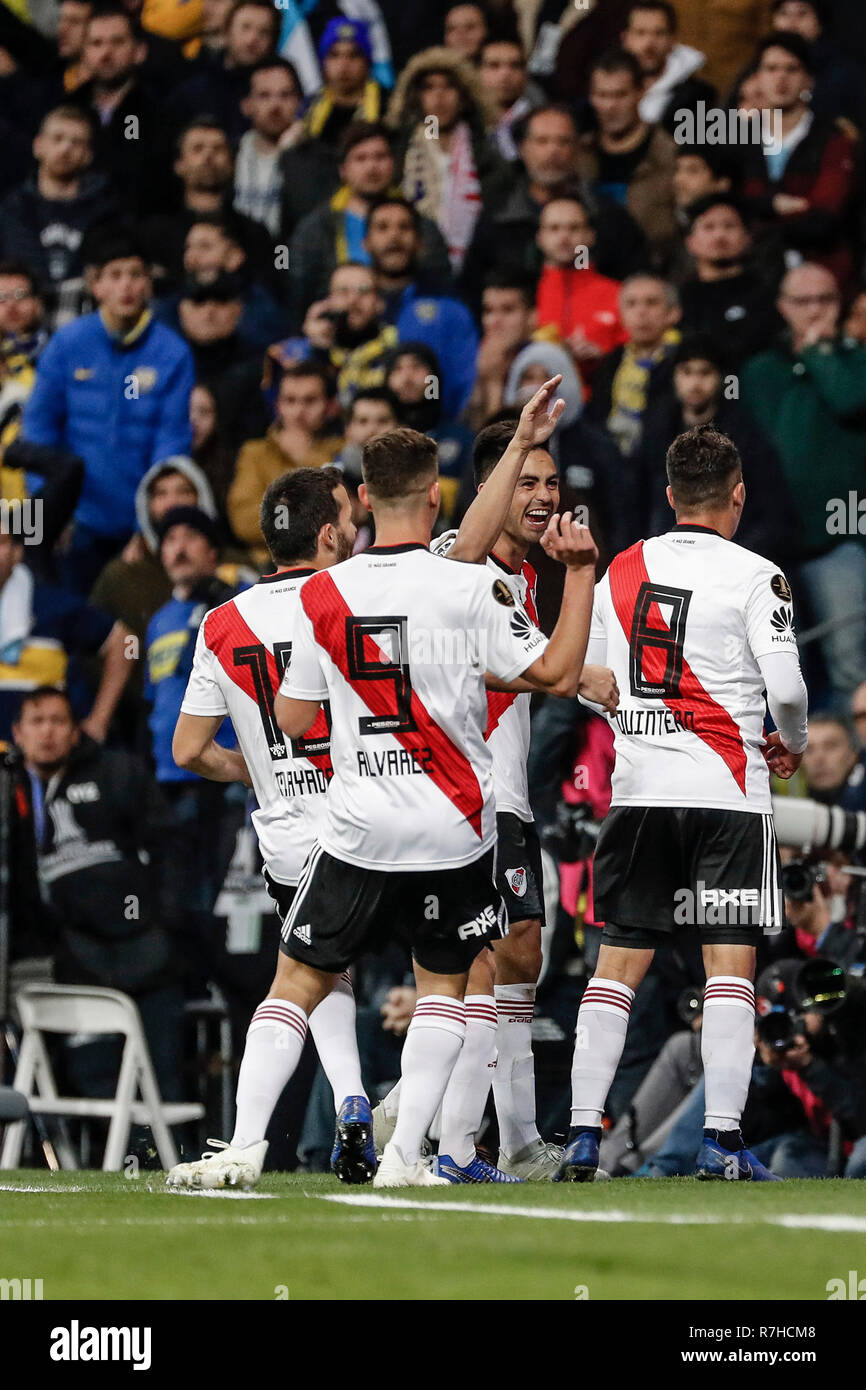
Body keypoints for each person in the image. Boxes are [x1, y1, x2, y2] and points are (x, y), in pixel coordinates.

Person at [166, 376, 599, 1190]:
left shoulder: (325, 593)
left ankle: (244, 1148)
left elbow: (293, 720)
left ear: (364, 499)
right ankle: (411, 1158)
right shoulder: (471, 585)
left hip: (359, 821)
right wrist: (577, 576)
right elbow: (558, 670)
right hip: (455, 823)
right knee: (444, 987)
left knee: (297, 980)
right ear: (434, 497)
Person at [555, 423, 809, 1183]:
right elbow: (790, 691)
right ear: (738, 495)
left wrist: (638, 722)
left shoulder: (622, 569)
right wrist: (788, 739)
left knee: (615, 968)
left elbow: (586, 677)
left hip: (638, 796)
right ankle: (720, 1142)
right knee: (728, 967)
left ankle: (579, 1136)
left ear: (668, 496)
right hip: (727, 795)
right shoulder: (759, 575)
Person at [170, 466, 377, 1182]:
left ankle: (330, 1110)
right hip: (373, 822)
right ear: (326, 534)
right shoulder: (353, 597)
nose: (354, 533)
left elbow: (188, 749)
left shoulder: (221, 622)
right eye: (348, 523)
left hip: (287, 835)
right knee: (453, 975)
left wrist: (255, 770)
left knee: (318, 971)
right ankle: (412, 1129)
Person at [13, 685, 186, 1106]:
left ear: (76, 731)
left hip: (145, 953)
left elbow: (170, 848)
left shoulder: (119, 772)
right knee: (94, 1075)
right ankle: (105, 1169)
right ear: (18, 733)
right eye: (37, 722)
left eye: (58, 721)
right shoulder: (9, 790)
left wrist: (164, 922)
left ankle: (169, 1164)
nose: (48, 732)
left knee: (163, 1079)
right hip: (69, 960)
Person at [20, 230, 195, 594]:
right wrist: (50, 510)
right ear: (95, 284)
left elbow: (170, 446)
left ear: (149, 283)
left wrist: (148, 528)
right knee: (71, 632)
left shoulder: (173, 352)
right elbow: (37, 430)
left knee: (133, 636)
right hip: (73, 523)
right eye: (114, 276)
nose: (126, 286)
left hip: (137, 529)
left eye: (135, 274)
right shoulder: (67, 343)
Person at [741, 263, 866, 705]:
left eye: (825, 300)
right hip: (772, 542)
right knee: (780, 671)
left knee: (849, 664)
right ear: (781, 307)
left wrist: (819, 353)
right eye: (802, 301)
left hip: (841, 537)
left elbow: (851, 401)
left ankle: (853, 772)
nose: (814, 310)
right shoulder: (760, 370)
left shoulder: (856, 362)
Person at [287, 120, 451, 320]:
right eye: (361, 158)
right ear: (343, 169)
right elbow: (299, 295)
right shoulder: (315, 229)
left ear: (394, 163)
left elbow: (441, 288)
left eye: (380, 157)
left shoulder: (422, 226)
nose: (372, 167)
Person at [736, 33, 860, 291]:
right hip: (748, 274)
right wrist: (773, 204)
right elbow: (730, 204)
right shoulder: (736, 140)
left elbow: (825, 217)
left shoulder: (835, 141)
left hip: (823, 275)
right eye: (771, 69)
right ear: (757, 79)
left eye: (791, 69)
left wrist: (759, 217)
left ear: (809, 80)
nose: (781, 78)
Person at [0, 527, 132, 744]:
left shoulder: (52, 605)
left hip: (44, 757)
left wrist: (99, 720)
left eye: (1, 542)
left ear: (17, 552)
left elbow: (128, 641)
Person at [386, 46, 505, 274]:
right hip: (412, 267)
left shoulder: (487, 153)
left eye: (448, 87)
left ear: (464, 97)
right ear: (415, 96)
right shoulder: (397, 151)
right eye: (429, 88)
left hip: (477, 266)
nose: (439, 97)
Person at [0, 105, 116, 328]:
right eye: (58, 138)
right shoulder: (13, 209)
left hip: (85, 319)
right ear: (38, 146)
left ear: (88, 155)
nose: (65, 148)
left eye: (76, 142)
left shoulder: (106, 211)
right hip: (20, 318)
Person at [364, 195, 479, 417]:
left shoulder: (449, 310)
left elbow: (463, 383)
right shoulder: (351, 306)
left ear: (419, 242)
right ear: (365, 242)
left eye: (404, 227)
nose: (394, 235)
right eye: (382, 227)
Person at [228, 363, 343, 564]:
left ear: (329, 405)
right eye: (290, 401)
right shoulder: (255, 453)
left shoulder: (342, 450)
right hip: (267, 567)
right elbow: (244, 521)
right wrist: (308, 518)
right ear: (278, 405)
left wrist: (308, 456)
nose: (299, 411)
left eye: (310, 401)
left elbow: (344, 518)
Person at [278, 17, 386, 232]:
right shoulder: (306, 113)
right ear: (323, 62)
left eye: (353, 55)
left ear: (367, 61)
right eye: (334, 55)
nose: (344, 65)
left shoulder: (389, 108)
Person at [578, 48, 678, 271]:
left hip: (651, 278)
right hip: (589, 276)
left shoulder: (672, 157)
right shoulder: (578, 157)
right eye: (602, 95)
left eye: (620, 95)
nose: (610, 106)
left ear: (641, 92)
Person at [71, 4, 173, 216]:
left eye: (117, 42)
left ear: (139, 52)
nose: (106, 53)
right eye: (96, 43)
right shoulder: (68, 106)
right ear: (84, 53)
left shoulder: (156, 111)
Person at [678, 194, 781, 367]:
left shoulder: (767, 294)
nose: (719, 236)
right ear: (690, 242)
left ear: (748, 238)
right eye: (709, 227)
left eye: (729, 226)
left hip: (739, 387)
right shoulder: (679, 298)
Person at [586, 272, 681, 458]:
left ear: (673, 313)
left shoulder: (686, 362)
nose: (641, 312)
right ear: (621, 314)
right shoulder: (610, 362)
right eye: (631, 304)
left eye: (652, 303)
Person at [533, 193, 626, 383]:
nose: (564, 236)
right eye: (554, 228)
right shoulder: (527, 294)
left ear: (590, 236)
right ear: (540, 238)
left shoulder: (618, 294)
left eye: (573, 228)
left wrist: (603, 357)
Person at [167, 0, 280, 139]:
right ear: (226, 32)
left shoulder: (281, 92)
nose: (252, 39)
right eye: (246, 28)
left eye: (264, 32)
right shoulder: (191, 90)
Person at [620, 0, 715, 135]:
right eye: (640, 33)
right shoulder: (607, 82)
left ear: (672, 40)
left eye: (659, 33)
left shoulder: (697, 97)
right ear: (625, 38)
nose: (648, 44)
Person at [234, 57, 304, 238]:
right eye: (264, 96)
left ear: (299, 102)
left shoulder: (316, 159)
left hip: (285, 257)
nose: (275, 106)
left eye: (285, 95)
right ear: (246, 105)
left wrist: (289, 157)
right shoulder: (228, 154)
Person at [479, 35, 544, 162]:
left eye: (515, 65)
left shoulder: (545, 122)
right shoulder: (463, 122)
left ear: (526, 73)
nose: (505, 74)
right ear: (477, 72)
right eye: (494, 65)